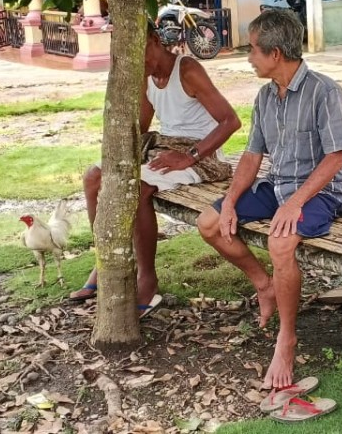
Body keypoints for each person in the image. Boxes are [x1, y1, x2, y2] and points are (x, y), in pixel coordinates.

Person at [196, 9, 342, 393]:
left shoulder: (325, 92)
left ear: (276, 53)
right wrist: (230, 200)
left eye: (252, 50)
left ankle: (287, 339)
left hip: (319, 193)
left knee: (279, 242)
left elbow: (335, 157)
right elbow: (252, 156)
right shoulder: (266, 96)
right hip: (276, 186)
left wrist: (295, 202)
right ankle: (264, 285)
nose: (248, 57)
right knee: (210, 223)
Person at [70, 23, 240, 311]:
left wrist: (190, 155)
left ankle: (147, 281)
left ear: (154, 40)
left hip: (202, 154)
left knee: (137, 188)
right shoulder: (146, 76)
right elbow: (143, 125)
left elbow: (230, 121)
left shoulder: (187, 70)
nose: (138, 61)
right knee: (93, 177)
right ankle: (105, 261)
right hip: (165, 146)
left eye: (141, 52)